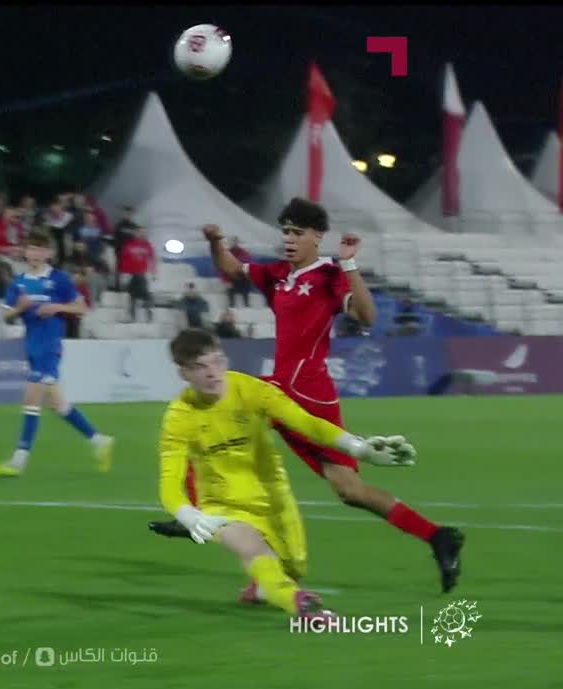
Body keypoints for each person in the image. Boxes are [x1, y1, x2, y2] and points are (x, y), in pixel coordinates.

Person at [153, 197, 464, 594]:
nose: (288, 239)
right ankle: (437, 536)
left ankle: (207, 519)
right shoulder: (277, 274)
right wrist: (216, 242)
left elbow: (367, 316)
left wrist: (349, 264)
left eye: (297, 232)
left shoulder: (329, 275)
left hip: (308, 392)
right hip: (283, 386)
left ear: (317, 237)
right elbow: (230, 268)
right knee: (349, 490)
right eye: (285, 231)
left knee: (216, 421)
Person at [158, 329, 417, 617]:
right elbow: (169, 482)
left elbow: (306, 422)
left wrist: (358, 448)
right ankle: (303, 606)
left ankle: (262, 588)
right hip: (222, 504)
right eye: (199, 367)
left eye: (217, 361)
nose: (212, 372)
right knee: (254, 550)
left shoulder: (251, 390)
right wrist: (187, 514)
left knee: (294, 568)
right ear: (183, 373)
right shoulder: (179, 417)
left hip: (272, 495)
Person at [0, 229, 114, 477]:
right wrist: (19, 308)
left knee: (31, 399)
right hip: (32, 347)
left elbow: (82, 309)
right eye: (31, 248)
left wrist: (56, 307)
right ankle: (99, 440)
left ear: (48, 253)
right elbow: (5, 314)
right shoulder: (18, 283)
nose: (35, 253)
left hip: (50, 347)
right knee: (58, 405)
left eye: (40, 249)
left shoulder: (59, 279)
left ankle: (18, 461)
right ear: (25, 252)